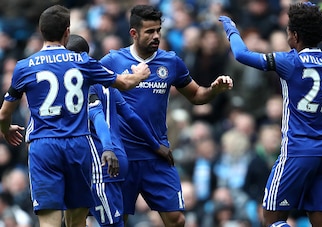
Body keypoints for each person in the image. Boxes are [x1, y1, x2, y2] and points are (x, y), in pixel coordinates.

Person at [0, 5, 151, 227]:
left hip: (44, 146)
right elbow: (125, 83)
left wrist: (6, 129)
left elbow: (4, 113)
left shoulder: (24, 67)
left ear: (41, 31)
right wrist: (139, 74)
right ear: (67, 32)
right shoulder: (83, 62)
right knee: (77, 221)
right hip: (78, 145)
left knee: (49, 221)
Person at [99, 4, 233, 227]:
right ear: (134, 33)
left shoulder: (170, 62)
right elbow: (90, 91)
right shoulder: (113, 61)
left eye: (158, 30)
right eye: (150, 31)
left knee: (177, 219)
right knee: (117, 221)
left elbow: (197, 95)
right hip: (124, 156)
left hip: (158, 154)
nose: (156, 36)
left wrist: (214, 90)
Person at [219, 2, 322, 227]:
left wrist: (232, 29)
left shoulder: (290, 62)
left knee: (272, 220)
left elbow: (241, 54)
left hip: (297, 151)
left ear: (294, 35)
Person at [66, 34, 173, 227]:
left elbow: (97, 116)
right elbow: (131, 116)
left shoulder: (83, 83)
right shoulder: (107, 83)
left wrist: (107, 148)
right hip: (114, 159)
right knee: (75, 219)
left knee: (111, 224)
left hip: (103, 162)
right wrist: (156, 145)